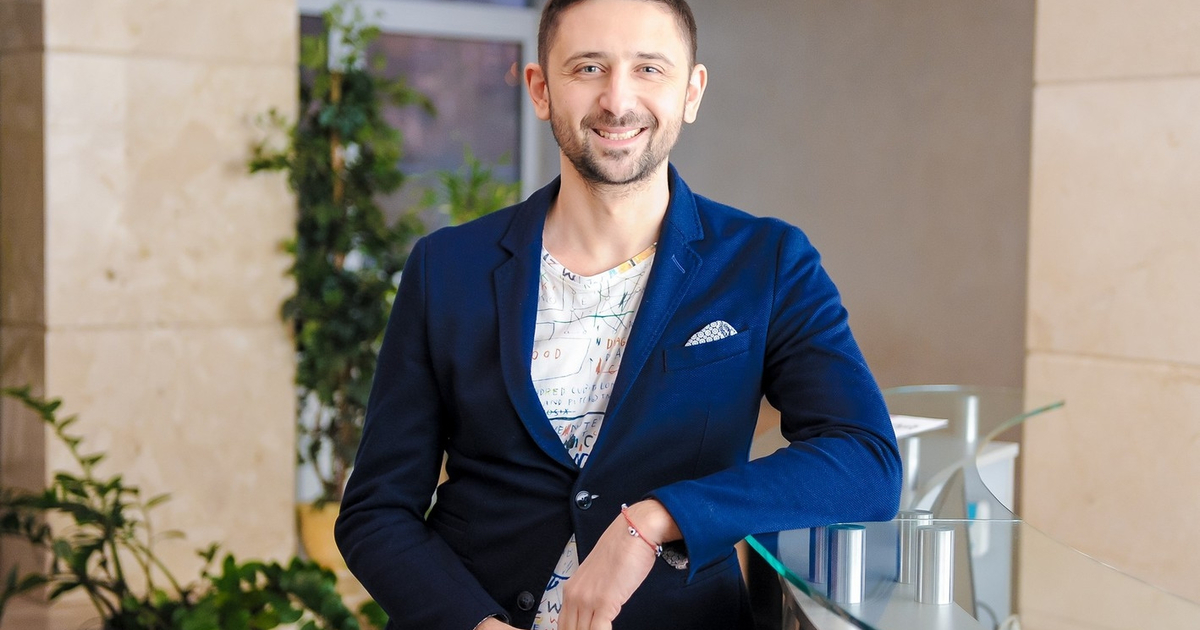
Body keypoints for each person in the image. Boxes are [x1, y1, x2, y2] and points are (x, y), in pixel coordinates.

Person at [335, 1, 902, 629]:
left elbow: (865, 463)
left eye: (649, 69)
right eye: (588, 68)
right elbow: (375, 512)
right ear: (540, 89)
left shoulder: (767, 262)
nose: (617, 99)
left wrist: (655, 520)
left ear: (692, 92)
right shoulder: (446, 267)